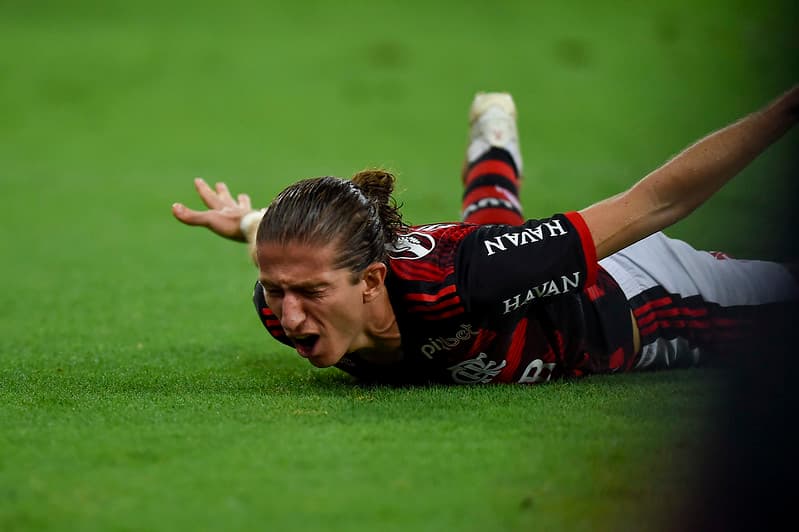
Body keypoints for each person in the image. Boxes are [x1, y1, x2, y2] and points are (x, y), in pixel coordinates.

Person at [172, 87, 799, 385]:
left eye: (306, 291)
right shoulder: (286, 306)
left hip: (646, 300)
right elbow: (296, 266)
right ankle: (492, 137)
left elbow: (656, 201)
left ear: (370, 280)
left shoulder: (463, 279)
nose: (289, 314)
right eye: (275, 289)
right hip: (489, 272)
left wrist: (782, 113)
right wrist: (252, 225)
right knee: (494, 242)